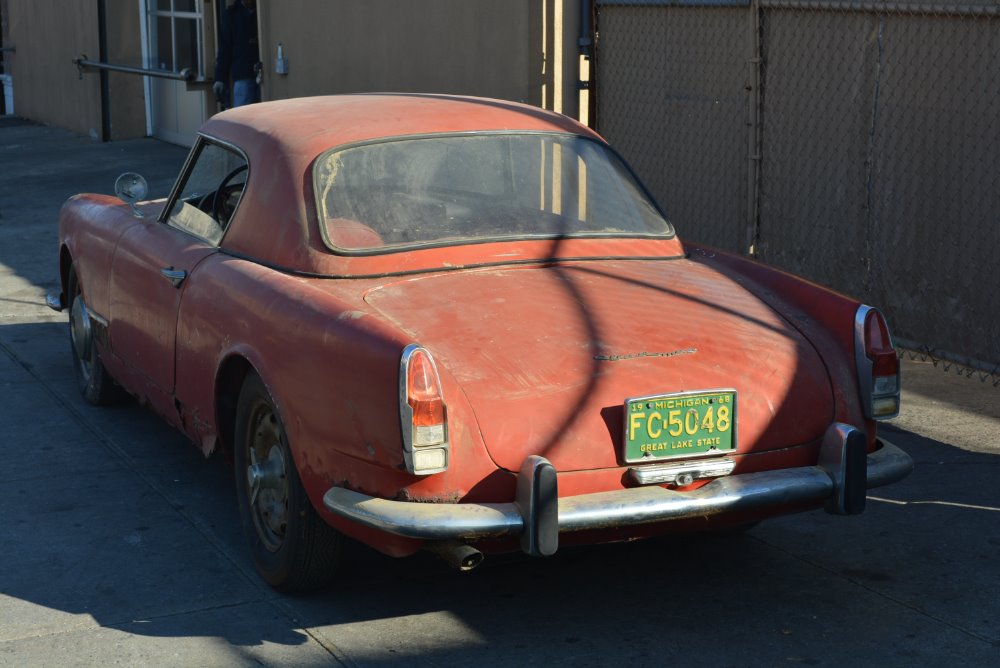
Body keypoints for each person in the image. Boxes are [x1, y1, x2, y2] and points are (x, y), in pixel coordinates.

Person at [213, 0, 260, 108]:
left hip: (263, 73)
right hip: (243, 74)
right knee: (242, 117)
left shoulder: (259, 11)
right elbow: (225, 49)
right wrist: (219, 78)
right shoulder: (232, 15)